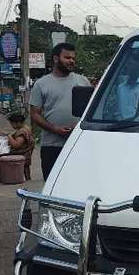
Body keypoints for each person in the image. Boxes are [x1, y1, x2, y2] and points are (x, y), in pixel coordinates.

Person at [30, 43, 90, 180]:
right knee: (52, 185)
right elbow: (34, 114)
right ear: (56, 59)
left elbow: (91, 110)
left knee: (79, 183)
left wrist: (81, 125)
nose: (72, 61)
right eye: (67, 57)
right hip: (51, 146)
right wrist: (54, 129)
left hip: (78, 144)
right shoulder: (41, 84)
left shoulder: (83, 81)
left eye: (73, 58)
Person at [6, 110, 35, 180]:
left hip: (22, 153)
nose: (12, 126)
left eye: (12, 124)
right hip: (26, 153)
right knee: (26, 168)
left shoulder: (22, 132)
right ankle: (28, 179)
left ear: (18, 123)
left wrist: (9, 136)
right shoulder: (26, 128)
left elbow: (16, 145)